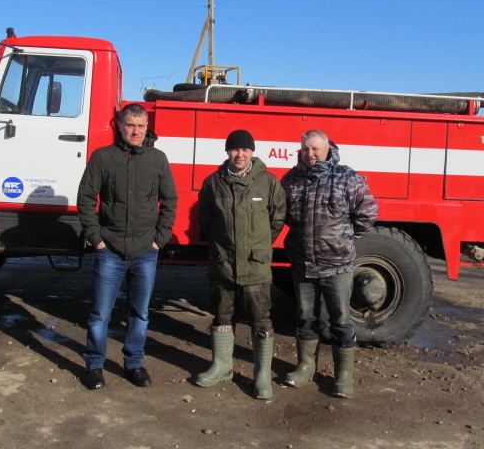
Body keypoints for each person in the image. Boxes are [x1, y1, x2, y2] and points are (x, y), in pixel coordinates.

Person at [77, 103, 178, 390]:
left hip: (146, 250)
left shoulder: (158, 159)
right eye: (130, 125)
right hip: (110, 248)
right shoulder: (102, 158)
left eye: (141, 126)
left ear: (147, 128)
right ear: (120, 126)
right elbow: (85, 199)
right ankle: (95, 365)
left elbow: (170, 200)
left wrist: (161, 238)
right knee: (100, 313)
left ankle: (133, 363)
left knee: (140, 313)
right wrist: (96, 238)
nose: (135, 131)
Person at [280, 129, 378, 398]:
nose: (310, 154)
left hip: (337, 266)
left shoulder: (347, 178)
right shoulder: (291, 179)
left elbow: (368, 212)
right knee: (305, 317)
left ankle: (343, 377)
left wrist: (346, 238)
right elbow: (282, 213)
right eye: (306, 150)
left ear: (327, 149)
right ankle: (305, 367)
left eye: (315, 149)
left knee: (341, 320)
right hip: (303, 264)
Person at [195, 129, 286, 399]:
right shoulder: (213, 183)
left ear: (252, 152)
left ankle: (261, 376)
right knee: (222, 316)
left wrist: (257, 245)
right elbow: (206, 220)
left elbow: (277, 218)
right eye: (235, 149)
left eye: (245, 149)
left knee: (261, 320)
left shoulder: (268, 182)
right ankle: (222, 367)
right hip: (223, 265)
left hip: (255, 266)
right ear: (227, 151)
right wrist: (223, 246)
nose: (240, 154)